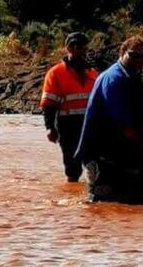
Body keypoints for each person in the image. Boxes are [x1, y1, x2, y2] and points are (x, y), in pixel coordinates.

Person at [74, 36, 143, 205]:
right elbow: (124, 124)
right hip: (103, 153)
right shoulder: (115, 80)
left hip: (128, 150)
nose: (139, 60)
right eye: (134, 55)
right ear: (122, 53)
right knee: (103, 205)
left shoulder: (132, 78)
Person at [40, 32, 98, 182]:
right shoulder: (55, 73)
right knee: (72, 168)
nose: (83, 51)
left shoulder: (92, 73)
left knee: (93, 163)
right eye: (79, 47)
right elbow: (49, 104)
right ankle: (73, 193)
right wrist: (50, 128)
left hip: (90, 124)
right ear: (69, 48)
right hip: (68, 125)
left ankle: (93, 195)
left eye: (85, 47)